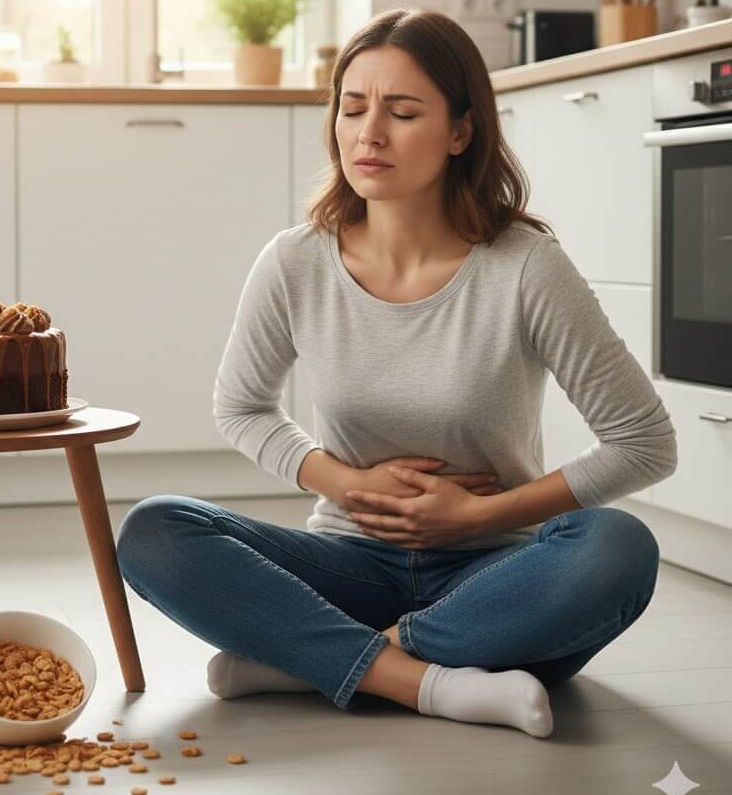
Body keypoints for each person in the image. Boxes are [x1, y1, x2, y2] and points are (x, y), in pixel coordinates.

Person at [115, 8, 677, 739]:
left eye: (402, 111)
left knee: (617, 548)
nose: (368, 133)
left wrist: (478, 515)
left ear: (460, 132)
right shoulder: (296, 261)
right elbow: (242, 406)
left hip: (493, 577)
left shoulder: (526, 267)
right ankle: (433, 682)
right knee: (154, 529)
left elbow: (643, 442)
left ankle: (312, 658)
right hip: (347, 561)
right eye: (352, 108)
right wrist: (347, 484)